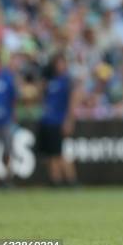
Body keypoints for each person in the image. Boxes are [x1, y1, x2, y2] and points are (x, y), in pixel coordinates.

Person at [37, 53, 78, 187]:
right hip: (47, 120)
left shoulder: (67, 81)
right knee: (50, 155)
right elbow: (42, 98)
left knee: (59, 153)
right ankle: (55, 180)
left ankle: (71, 180)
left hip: (58, 121)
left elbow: (72, 103)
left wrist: (69, 120)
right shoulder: (49, 80)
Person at [0, 49, 16, 188]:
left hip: (5, 120)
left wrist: (12, 116)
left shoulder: (7, 77)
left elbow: (13, 98)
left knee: (7, 151)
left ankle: (8, 179)